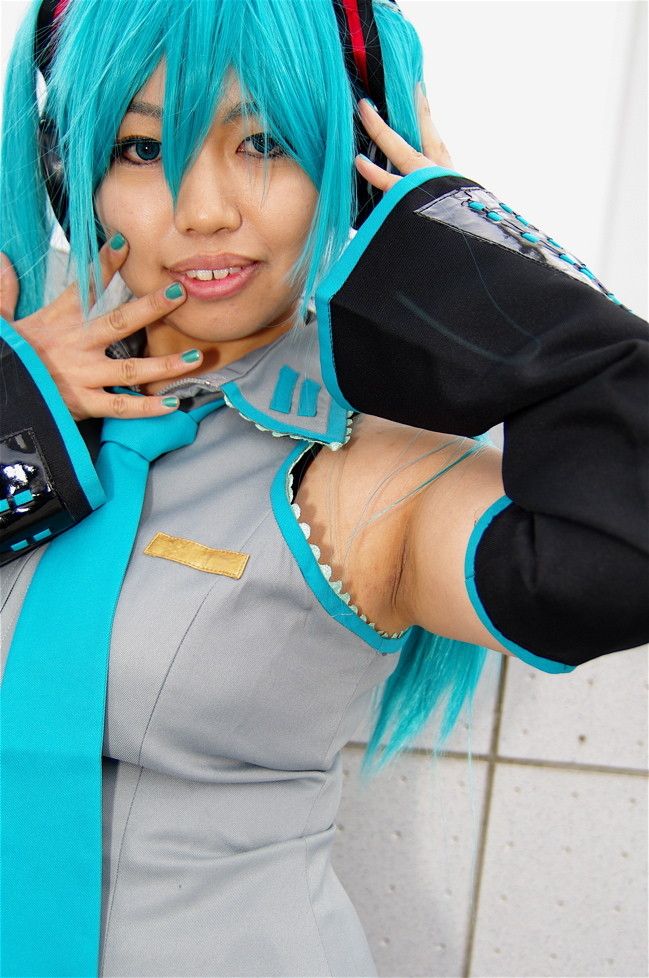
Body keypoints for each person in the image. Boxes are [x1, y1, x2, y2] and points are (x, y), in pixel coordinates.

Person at [0, 0, 647, 976]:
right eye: (142, 149)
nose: (204, 209)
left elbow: (621, 556)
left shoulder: (366, 469)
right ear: (68, 169)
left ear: (351, 164)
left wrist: (467, 253)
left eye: (265, 143)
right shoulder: (20, 372)